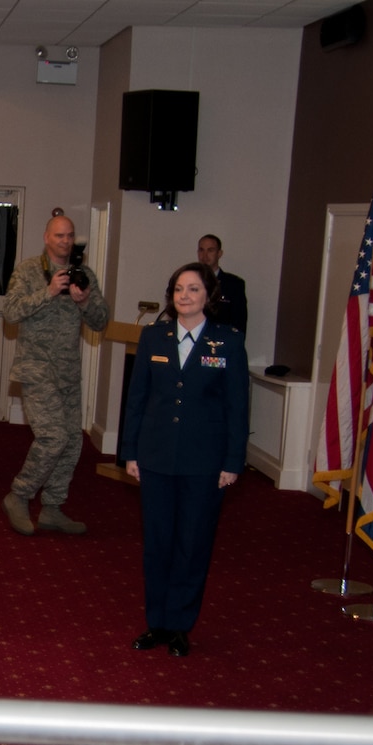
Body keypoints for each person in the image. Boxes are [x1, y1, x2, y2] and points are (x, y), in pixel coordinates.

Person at [120, 263, 250, 658]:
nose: (185, 296)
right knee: (157, 543)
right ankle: (156, 622)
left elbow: (237, 407)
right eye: (179, 289)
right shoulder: (153, 337)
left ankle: (180, 625)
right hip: (157, 457)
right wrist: (129, 451)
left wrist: (232, 460)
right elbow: (137, 397)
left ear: (207, 296)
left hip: (204, 462)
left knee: (191, 545)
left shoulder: (226, 342)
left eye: (193, 289)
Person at [1, 213, 109, 536]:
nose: (65, 242)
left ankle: (52, 507)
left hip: (68, 372)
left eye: (70, 236)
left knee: (73, 441)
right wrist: (48, 292)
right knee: (53, 438)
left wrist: (86, 300)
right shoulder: (28, 271)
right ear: (47, 237)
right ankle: (18, 494)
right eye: (59, 236)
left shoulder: (84, 275)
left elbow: (101, 321)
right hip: (36, 369)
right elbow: (10, 312)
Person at [196, 233, 248, 333]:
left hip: (221, 343)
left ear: (219, 253)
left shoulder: (234, 284)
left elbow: (239, 324)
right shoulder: (188, 282)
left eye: (210, 250)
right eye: (201, 250)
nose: (205, 255)